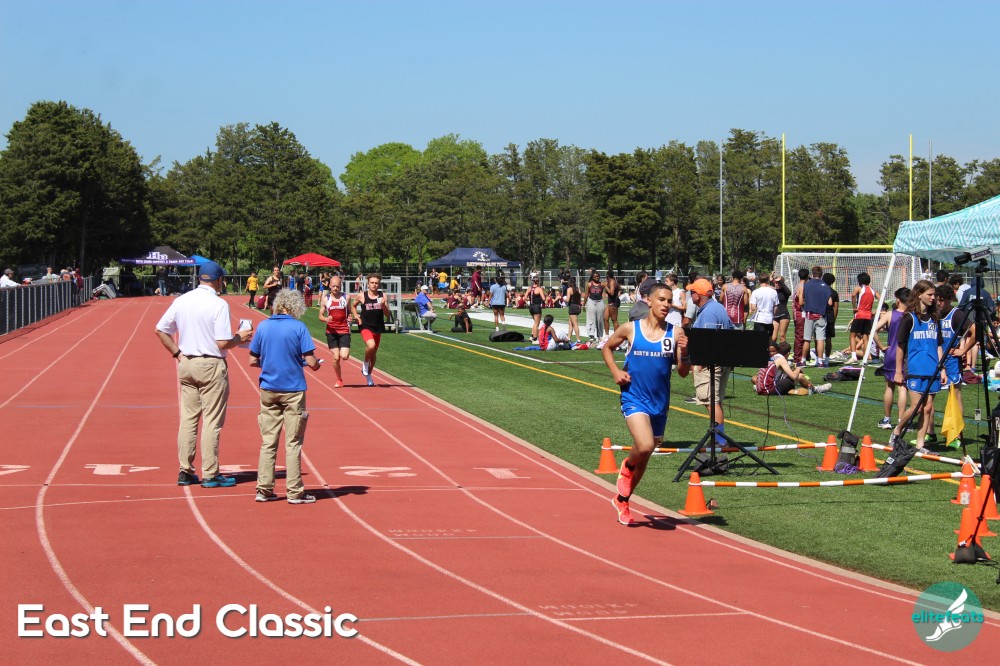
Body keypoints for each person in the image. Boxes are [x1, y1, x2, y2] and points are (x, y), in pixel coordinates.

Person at [154, 260, 253, 488]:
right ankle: (210, 472)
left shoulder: (182, 300)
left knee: (188, 419)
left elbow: (160, 330)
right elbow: (222, 342)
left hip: (187, 362)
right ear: (218, 280)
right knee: (211, 421)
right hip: (211, 364)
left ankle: (185, 470)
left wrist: (177, 354)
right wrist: (240, 338)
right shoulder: (218, 304)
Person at [604, 282, 690, 526]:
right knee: (644, 445)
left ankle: (622, 500)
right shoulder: (631, 329)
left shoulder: (675, 333)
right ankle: (626, 465)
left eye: (669, 300)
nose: (666, 304)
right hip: (634, 396)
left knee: (645, 456)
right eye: (661, 299)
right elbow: (607, 348)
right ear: (649, 301)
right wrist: (616, 372)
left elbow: (683, 372)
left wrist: (686, 353)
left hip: (659, 403)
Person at [248, 288, 320, 504]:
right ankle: (294, 491)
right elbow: (311, 361)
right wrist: (314, 364)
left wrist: (271, 363)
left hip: (269, 389)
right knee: (293, 442)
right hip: (293, 389)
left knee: (268, 442)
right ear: (294, 306)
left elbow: (252, 360)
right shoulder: (298, 327)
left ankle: (264, 489)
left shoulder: (263, 326)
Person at [888, 280, 947, 452]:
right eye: (930, 294)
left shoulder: (935, 319)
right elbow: (900, 347)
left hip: (933, 369)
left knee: (927, 408)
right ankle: (897, 430)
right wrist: (898, 371)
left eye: (934, 295)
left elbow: (938, 345)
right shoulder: (909, 318)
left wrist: (942, 368)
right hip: (915, 368)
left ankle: (920, 444)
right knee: (917, 407)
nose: (933, 298)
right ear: (919, 294)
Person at [687, 278, 733, 444]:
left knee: (711, 402)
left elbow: (708, 339)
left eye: (692, 292)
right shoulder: (718, 307)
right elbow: (731, 330)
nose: (690, 295)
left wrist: (700, 363)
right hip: (722, 360)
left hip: (710, 364)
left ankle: (719, 441)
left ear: (697, 295)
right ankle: (718, 438)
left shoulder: (708, 312)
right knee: (715, 402)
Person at [936, 283, 974, 448]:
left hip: (951, 362)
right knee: (928, 398)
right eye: (937, 300)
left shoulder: (956, 314)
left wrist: (963, 350)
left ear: (949, 300)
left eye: (941, 300)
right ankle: (929, 432)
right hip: (935, 360)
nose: (938, 303)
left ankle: (957, 434)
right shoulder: (935, 314)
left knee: (955, 397)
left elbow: (975, 331)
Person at [872, 287, 909, 430]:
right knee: (903, 388)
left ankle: (887, 419)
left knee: (889, 387)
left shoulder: (890, 314)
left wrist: (881, 346)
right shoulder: (911, 315)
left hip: (891, 352)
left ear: (898, 300)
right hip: (905, 354)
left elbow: (873, 330)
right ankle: (901, 420)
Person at [351, 273, 391, 387]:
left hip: (377, 327)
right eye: (372, 283)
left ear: (379, 284)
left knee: (373, 355)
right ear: (368, 284)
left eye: (376, 283)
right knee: (371, 345)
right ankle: (365, 362)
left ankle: (368, 375)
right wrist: (357, 317)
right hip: (365, 326)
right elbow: (353, 306)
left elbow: (388, 315)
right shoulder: (362, 295)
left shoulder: (383, 296)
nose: (374, 285)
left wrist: (383, 305)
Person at [756, 342, 831, 395]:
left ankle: (792, 391)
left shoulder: (772, 358)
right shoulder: (781, 360)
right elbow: (794, 377)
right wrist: (798, 368)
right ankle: (816, 389)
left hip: (760, 388)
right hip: (768, 389)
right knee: (800, 376)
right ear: (788, 353)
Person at [318, 274, 351, 388]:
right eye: (333, 286)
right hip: (331, 331)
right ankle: (339, 379)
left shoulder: (346, 298)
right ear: (330, 286)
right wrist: (326, 319)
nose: (335, 288)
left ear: (341, 286)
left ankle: (343, 351)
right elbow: (320, 316)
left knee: (344, 356)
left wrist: (350, 317)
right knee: (336, 357)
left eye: (337, 286)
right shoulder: (325, 299)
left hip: (344, 330)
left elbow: (349, 312)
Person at [800, 266, 832, 367]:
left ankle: (803, 360)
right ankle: (821, 361)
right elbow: (830, 302)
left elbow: (802, 300)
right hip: (821, 315)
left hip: (809, 314)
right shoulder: (825, 286)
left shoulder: (807, 285)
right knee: (820, 339)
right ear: (821, 274)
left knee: (807, 339)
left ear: (812, 274)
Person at [848, 272, 876, 362]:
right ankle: (865, 357)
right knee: (865, 337)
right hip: (868, 316)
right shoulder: (873, 290)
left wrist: (854, 307)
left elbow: (853, 295)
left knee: (852, 335)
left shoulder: (859, 288)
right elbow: (881, 299)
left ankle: (854, 356)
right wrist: (876, 311)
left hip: (859, 314)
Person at [748, 273, 778, 338]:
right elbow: (775, 308)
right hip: (769, 319)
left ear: (759, 281)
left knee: (759, 340)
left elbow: (753, 307)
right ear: (768, 280)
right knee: (768, 340)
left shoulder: (755, 292)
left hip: (759, 319)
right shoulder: (774, 292)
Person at [792, 267, 809, 363]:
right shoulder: (802, 286)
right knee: (800, 336)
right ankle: (798, 357)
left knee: (801, 335)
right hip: (800, 313)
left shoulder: (798, 285)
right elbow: (801, 302)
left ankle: (804, 355)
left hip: (797, 313)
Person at [585, 270, 606, 342]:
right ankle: (591, 334)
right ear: (592, 277)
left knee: (600, 319)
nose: (596, 278)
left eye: (598, 276)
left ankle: (600, 335)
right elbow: (586, 294)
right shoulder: (589, 284)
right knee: (591, 318)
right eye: (595, 277)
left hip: (600, 301)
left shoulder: (602, 284)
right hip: (591, 301)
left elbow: (608, 290)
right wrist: (583, 304)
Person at [524, 276, 545, 343]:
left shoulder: (529, 288)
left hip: (531, 306)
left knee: (535, 322)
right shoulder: (539, 289)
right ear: (538, 281)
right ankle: (535, 338)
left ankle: (532, 335)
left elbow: (525, 297)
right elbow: (543, 298)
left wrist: (530, 299)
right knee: (537, 323)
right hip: (536, 306)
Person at [771, 273, 791, 343]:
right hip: (774, 315)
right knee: (773, 337)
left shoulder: (784, 291)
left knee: (782, 336)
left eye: (779, 282)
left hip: (783, 314)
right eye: (776, 282)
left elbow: (789, 292)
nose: (777, 284)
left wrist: (780, 281)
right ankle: (773, 350)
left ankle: (783, 349)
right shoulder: (772, 291)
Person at [604, 270, 622, 336]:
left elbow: (612, 293)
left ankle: (616, 336)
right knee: (605, 318)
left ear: (607, 276)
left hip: (614, 302)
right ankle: (606, 336)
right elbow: (619, 288)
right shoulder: (612, 282)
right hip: (610, 302)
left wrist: (606, 287)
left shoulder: (612, 282)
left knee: (614, 320)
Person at [565, 278, 582, 344]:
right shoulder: (578, 289)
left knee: (575, 324)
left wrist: (563, 299)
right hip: (577, 306)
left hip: (572, 306)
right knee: (570, 323)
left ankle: (578, 339)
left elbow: (567, 300)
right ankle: (568, 338)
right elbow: (579, 298)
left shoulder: (569, 289)